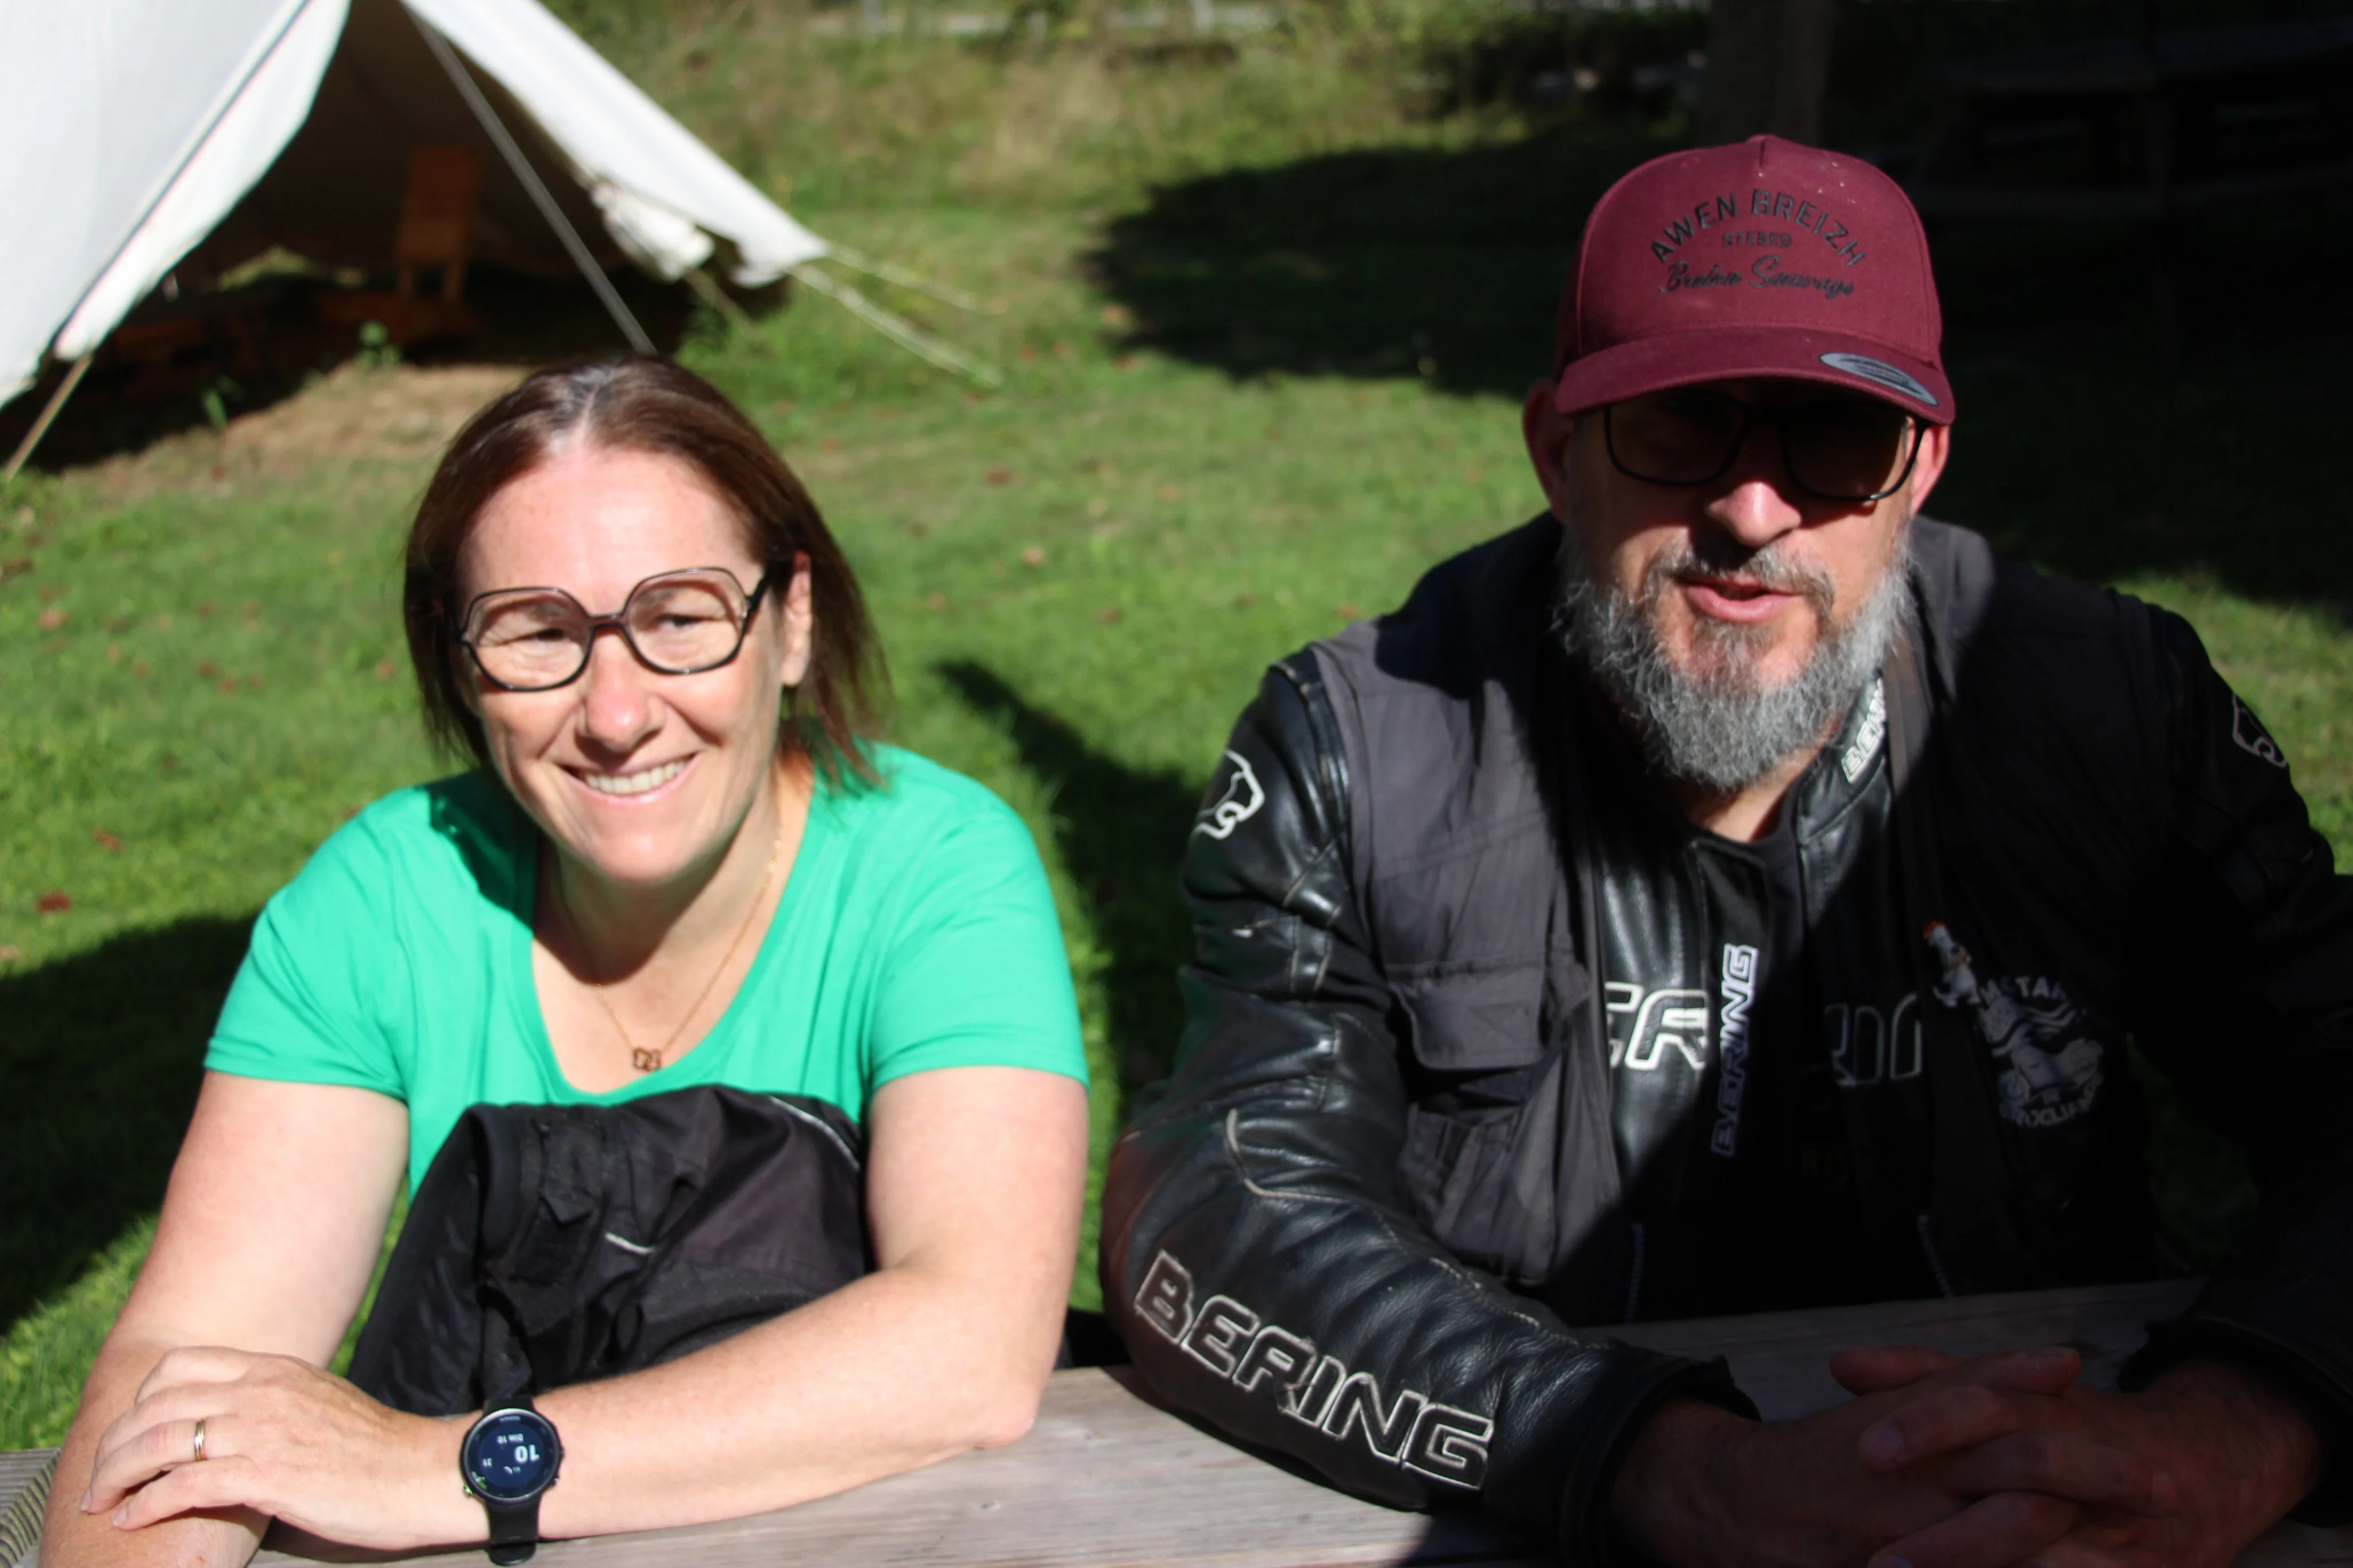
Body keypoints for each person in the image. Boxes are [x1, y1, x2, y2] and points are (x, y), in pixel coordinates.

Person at [1100, 134, 2353, 1568]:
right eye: (1679, 423)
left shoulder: (2111, 709)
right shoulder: (1357, 747)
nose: (1750, 512)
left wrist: (2240, 1431)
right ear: (1554, 452)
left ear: (1920, 469)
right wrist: (1667, 1469)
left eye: (1836, 438)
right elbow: (1217, 1202)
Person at [43, 359, 1091, 1567]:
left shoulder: (936, 871)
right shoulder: (380, 907)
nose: (615, 713)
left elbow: (972, 1343)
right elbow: (184, 1369)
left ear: (792, 618)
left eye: (680, 618)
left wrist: (440, 1466)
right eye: (539, 632)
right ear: (461, 662)